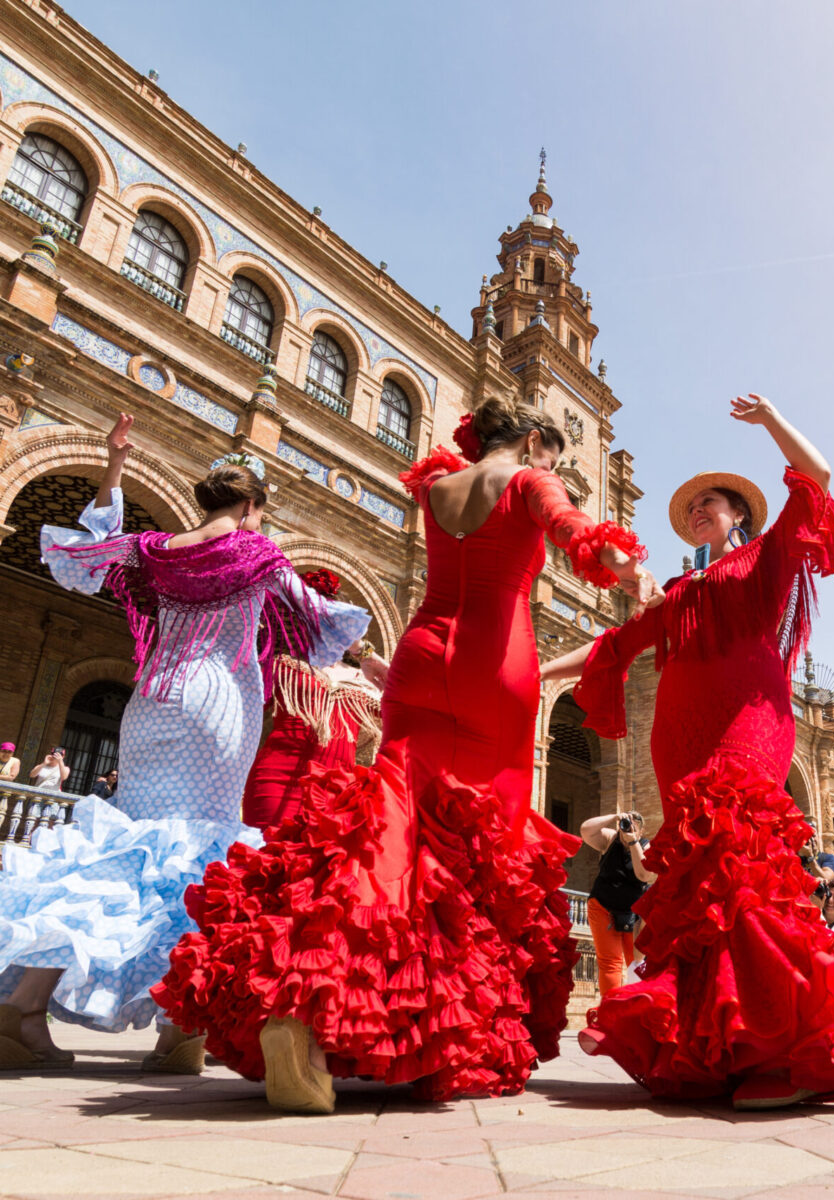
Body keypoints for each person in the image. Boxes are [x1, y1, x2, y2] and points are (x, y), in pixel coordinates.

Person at [155, 397, 656, 1114]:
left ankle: (304, 1005)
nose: (556, 470)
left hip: (421, 654)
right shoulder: (526, 481)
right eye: (552, 457)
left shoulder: (439, 486)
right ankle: (432, 1024)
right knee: (482, 850)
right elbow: (575, 529)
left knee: (388, 829)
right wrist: (622, 564)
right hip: (495, 667)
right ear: (537, 442)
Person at [0, 414, 370, 1072]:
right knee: (200, 856)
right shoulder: (254, 552)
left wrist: (115, 466)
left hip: (149, 704)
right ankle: (179, 1030)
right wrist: (370, 662)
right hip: (216, 705)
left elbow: (88, 552)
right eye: (258, 513)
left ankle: (22, 1010)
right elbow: (315, 620)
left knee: (123, 849)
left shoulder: (155, 551)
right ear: (249, 507)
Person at [543, 394, 834, 1109]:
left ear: (738, 515)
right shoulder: (679, 589)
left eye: (711, 504)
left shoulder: (766, 558)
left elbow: (819, 477)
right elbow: (612, 648)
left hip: (749, 720)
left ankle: (782, 1048)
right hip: (678, 737)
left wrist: (773, 418)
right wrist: (531, 674)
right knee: (701, 888)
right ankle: (725, 1045)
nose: (697, 513)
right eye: (690, 508)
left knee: (741, 862)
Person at [239, 569, 387, 830]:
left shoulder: (367, 679)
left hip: (336, 796)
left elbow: (407, 716)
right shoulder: (281, 662)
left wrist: (368, 654)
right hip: (274, 780)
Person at [581, 811, 654, 995]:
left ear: (641, 829)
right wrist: (615, 817)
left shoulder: (646, 846)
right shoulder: (611, 838)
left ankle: (635, 1006)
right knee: (610, 963)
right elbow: (585, 830)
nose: (629, 827)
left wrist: (633, 842)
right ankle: (609, 1012)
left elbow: (643, 875)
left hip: (633, 913)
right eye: (626, 824)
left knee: (636, 961)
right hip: (603, 906)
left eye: (634, 825)